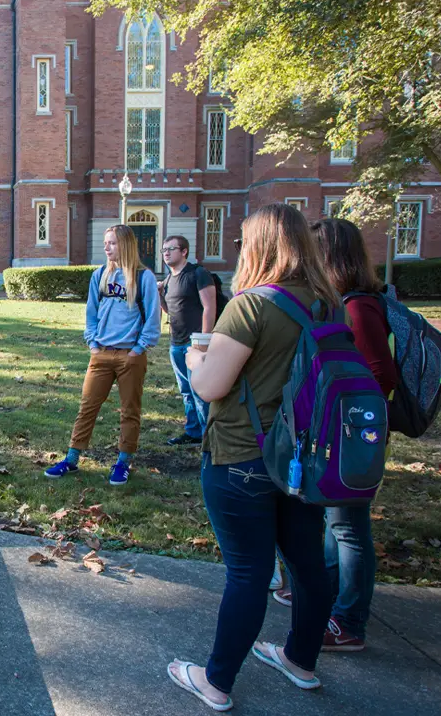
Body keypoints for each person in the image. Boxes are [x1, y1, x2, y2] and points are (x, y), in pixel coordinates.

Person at [168, 203, 338, 711]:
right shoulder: (329, 305)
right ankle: (300, 661)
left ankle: (216, 682)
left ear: (261, 246)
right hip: (305, 459)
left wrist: (198, 358)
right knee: (309, 566)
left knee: (247, 571)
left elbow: (210, 385)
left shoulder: (252, 305)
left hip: (243, 455)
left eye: (244, 240)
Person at [269, 218, 393, 653]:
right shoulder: (337, 302)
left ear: (332, 254)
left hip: (350, 436)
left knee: (349, 529)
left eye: (314, 249)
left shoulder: (358, 307)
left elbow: (378, 372)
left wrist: (344, 409)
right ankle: (319, 596)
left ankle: (348, 620)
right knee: (333, 520)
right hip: (335, 433)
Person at [45, 224, 161, 486]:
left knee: (129, 411)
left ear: (126, 245)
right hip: (101, 355)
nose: (107, 247)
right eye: (105, 243)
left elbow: (153, 319)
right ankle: (72, 459)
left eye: (112, 243)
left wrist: (137, 350)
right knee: (87, 407)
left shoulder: (144, 278)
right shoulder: (99, 275)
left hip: (130, 356)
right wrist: (93, 345)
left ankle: (123, 463)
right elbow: (91, 313)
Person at [158, 235, 216, 446]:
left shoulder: (198, 274)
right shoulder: (169, 279)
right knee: (185, 390)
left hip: (196, 343)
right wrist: (159, 295)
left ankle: (209, 435)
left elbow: (210, 306)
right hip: (176, 342)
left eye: (171, 249)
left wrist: (204, 340)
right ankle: (193, 432)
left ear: (184, 252)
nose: (165, 253)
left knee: (199, 390)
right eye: (164, 249)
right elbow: (170, 309)